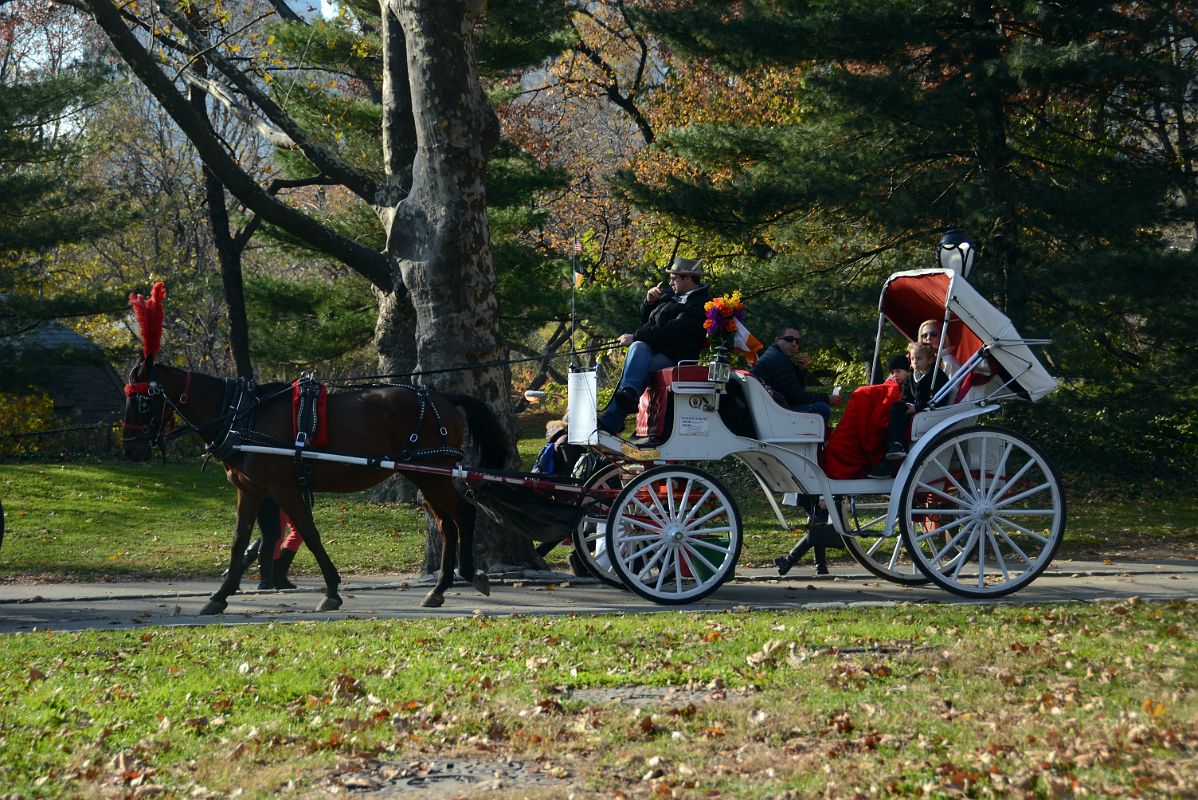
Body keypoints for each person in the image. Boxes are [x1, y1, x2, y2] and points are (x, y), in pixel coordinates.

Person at [597, 256, 712, 434]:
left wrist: (636, 336)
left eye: (674, 278)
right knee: (638, 348)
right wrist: (649, 303)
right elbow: (649, 320)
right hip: (653, 350)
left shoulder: (700, 304)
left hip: (675, 356)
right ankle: (628, 397)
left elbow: (674, 331)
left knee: (640, 363)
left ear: (687, 278)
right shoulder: (670, 296)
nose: (670, 282)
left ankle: (614, 418)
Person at [750, 325, 842, 423]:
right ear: (777, 340)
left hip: (770, 408)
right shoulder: (778, 360)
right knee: (822, 408)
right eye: (789, 339)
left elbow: (794, 392)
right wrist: (827, 398)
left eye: (797, 341)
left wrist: (801, 370)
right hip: (771, 414)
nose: (794, 344)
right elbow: (796, 397)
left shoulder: (776, 355)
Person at [884, 342, 949, 460]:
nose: (914, 362)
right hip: (914, 408)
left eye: (919, 358)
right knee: (897, 408)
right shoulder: (911, 375)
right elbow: (906, 395)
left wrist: (916, 408)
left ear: (929, 360)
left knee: (901, 415)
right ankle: (895, 446)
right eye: (912, 358)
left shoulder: (937, 376)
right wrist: (905, 404)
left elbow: (940, 400)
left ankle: (895, 450)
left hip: (929, 410)